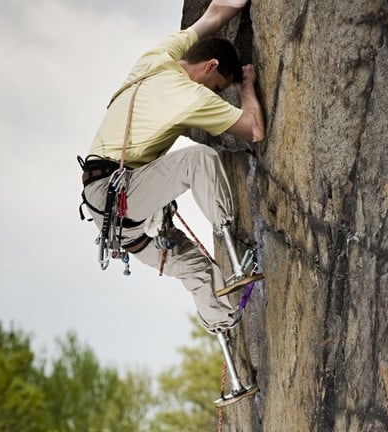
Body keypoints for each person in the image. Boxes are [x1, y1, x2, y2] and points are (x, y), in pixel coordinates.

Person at [78, 0, 265, 406]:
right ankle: (229, 245)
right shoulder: (188, 95)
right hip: (118, 193)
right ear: (210, 67)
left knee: (197, 271)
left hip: (113, 219)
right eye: (218, 89)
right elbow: (253, 129)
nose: (215, 97)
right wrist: (247, 89)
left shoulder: (157, 58)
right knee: (198, 159)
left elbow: (216, 12)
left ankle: (230, 357)